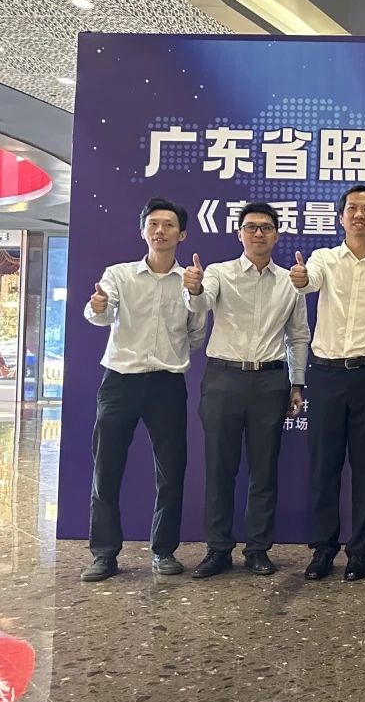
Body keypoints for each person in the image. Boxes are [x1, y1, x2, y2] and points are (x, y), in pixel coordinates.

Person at [81, 197, 206, 582]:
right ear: (143, 231)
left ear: (182, 234)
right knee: (106, 469)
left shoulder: (190, 282)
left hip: (167, 384)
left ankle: (163, 550)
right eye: (153, 224)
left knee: (171, 471)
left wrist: (195, 296)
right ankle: (104, 554)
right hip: (120, 381)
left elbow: (197, 335)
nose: (160, 230)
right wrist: (98, 305)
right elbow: (101, 315)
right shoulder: (119, 275)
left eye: (169, 225)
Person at [182, 202, 309, 579]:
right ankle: (218, 549)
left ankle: (258, 549)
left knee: (264, 469)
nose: (258, 233)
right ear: (239, 233)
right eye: (251, 227)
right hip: (224, 378)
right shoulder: (219, 273)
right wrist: (194, 288)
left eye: (266, 227)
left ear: (276, 235)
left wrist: (297, 383)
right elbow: (202, 302)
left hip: (270, 381)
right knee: (219, 468)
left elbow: (298, 336)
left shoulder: (290, 281)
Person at [291, 186, 365, 582]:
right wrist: (301, 278)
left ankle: (360, 551)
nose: (359, 215)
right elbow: (308, 281)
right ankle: (323, 549)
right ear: (340, 217)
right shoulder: (324, 259)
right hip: (326, 374)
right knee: (324, 465)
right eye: (352, 209)